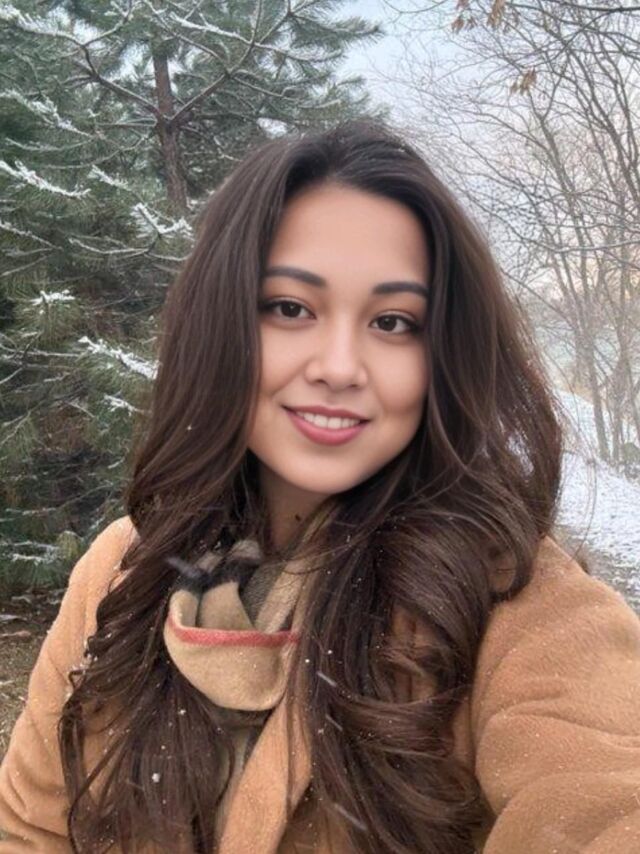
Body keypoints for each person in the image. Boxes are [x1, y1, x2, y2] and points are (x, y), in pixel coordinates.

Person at [1, 118, 639, 854]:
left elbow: (601, 800)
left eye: (393, 321)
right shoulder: (123, 569)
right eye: (290, 308)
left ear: (442, 356)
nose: (339, 366)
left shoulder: (518, 605)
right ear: (220, 325)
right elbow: (31, 829)